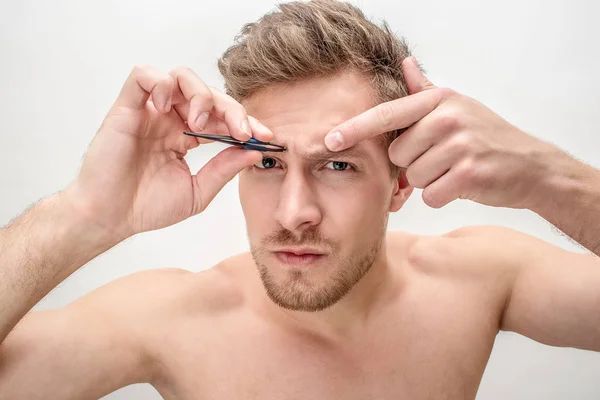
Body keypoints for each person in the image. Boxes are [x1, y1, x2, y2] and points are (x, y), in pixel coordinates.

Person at [1, 1, 600, 399]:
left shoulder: (481, 278)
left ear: (399, 183)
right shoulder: (171, 318)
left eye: (337, 165)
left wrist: (551, 177)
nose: (294, 213)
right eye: (267, 162)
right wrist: (84, 212)